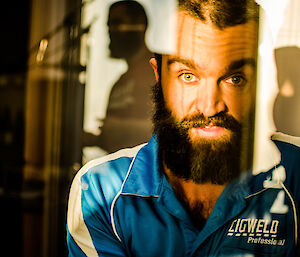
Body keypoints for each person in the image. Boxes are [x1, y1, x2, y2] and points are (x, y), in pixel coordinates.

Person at [67, 0, 300, 256]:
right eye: (188, 76)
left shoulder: (296, 175)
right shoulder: (102, 192)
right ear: (159, 77)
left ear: (259, 81)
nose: (210, 106)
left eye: (235, 78)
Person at [82, 0, 155, 154]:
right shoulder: (120, 83)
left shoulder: (160, 71)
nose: (110, 31)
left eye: (117, 23)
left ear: (140, 25)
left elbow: (171, 130)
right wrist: (97, 139)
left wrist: (118, 128)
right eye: (109, 25)